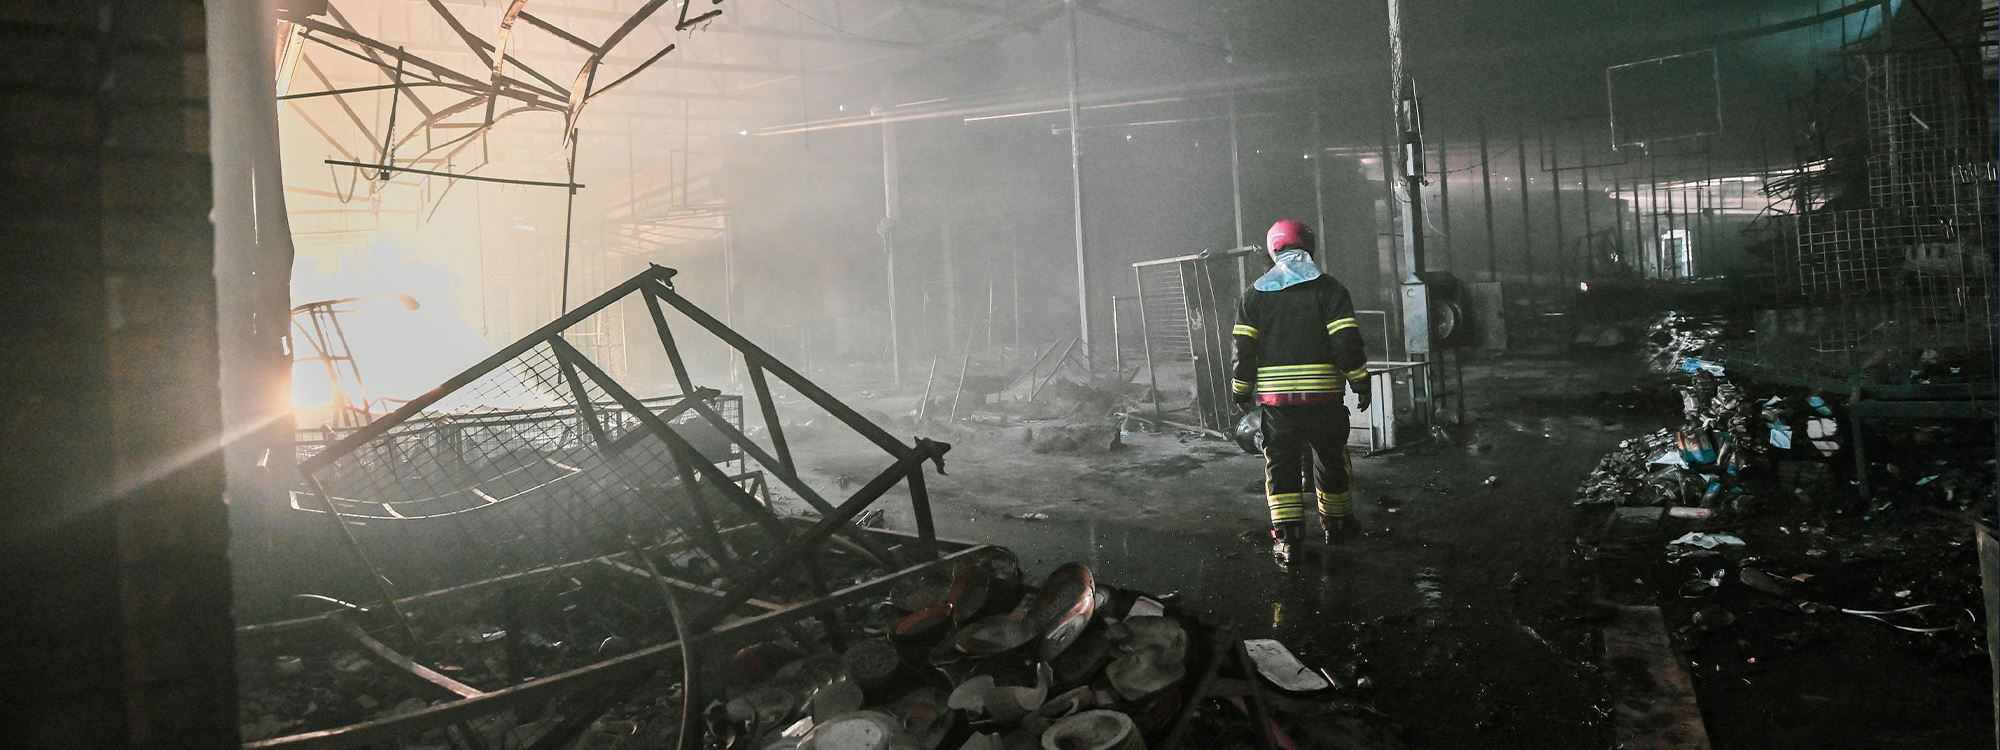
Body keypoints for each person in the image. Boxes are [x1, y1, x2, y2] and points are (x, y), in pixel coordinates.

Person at [1230, 219, 1371, 565]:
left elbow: (1243, 349)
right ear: (1308, 246)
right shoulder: (1331, 290)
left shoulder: (1254, 294)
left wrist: (1240, 389)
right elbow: (1346, 343)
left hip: (1278, 406)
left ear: (1273, 249)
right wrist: (1360, 381)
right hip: (1324, 399)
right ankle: (1337, 526)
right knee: (1331, 460)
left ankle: (1288, 541)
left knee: (1281, 466)